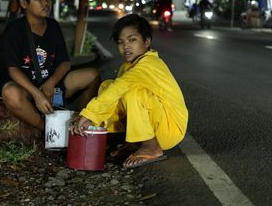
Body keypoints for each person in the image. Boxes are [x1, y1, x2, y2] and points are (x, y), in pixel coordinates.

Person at [70, 14, 188, 168]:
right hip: (157, 122)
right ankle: (134, 142)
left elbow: (120, 87)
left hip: (170, 129)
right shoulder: (127, 66)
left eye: (132, 40)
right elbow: (115, 94)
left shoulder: (149, 64)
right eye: (121, 42)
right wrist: (93, 118)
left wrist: (88, 114)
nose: (126, 46)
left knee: (133, 93)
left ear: (146, 41)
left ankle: (151, 147)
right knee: (108, 85)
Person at [0, 0, 101, 131]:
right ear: (24, 3)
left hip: (51, 85)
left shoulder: (53, 26)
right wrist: (37, 94)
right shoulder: (14, 30)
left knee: (93, 75)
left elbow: (64, 63)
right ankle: (46, 131)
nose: (46, 3)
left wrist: (51, 83)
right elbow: (13, 70)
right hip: (25, 88)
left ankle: (79, 122)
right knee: (10, 92)